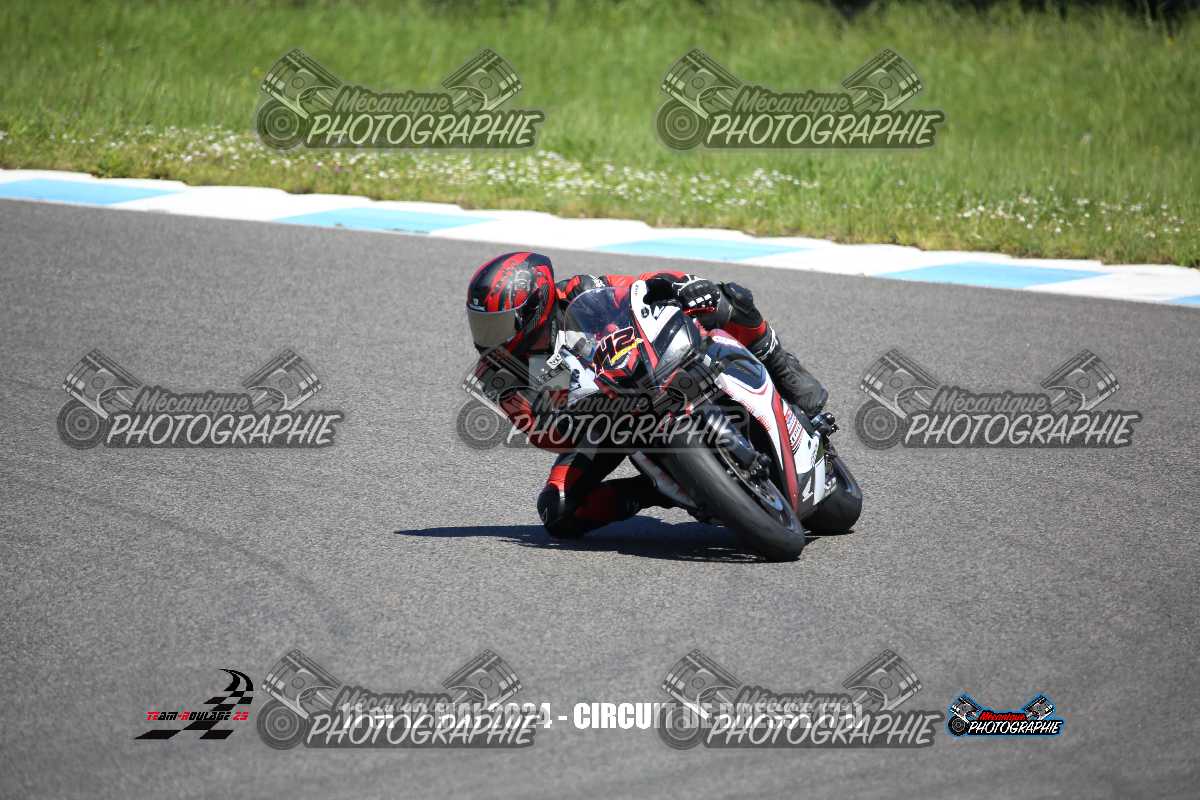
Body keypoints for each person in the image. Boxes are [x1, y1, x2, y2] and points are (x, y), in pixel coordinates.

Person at [465, 251, 827, 538]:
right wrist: (569, 419)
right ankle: (658, 489)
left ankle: (778, 362)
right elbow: (541, 433)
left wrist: (680, 286)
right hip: (598, 424)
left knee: (725, 297)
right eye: (480, 325)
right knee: (558, 511)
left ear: (537, 306)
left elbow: (639, 287)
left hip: (647, 366)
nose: (488, 338)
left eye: (497, 325)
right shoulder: (498, 373)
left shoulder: (575, 291)